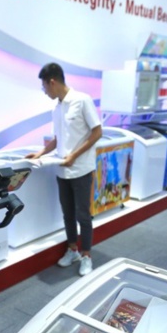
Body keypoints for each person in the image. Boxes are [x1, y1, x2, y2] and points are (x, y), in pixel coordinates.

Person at [26, 62, 102, 276]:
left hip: (81, 169)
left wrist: (74, 155)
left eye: (44, 87)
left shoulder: (82, 100)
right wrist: (41, 153)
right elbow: (58, 139)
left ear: (52, 81)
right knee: (67, 214)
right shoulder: (57, 108)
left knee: (83, 215)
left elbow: (97, 132)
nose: (44, 91)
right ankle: (73, 251)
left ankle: (87, 255)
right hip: (62, 169)